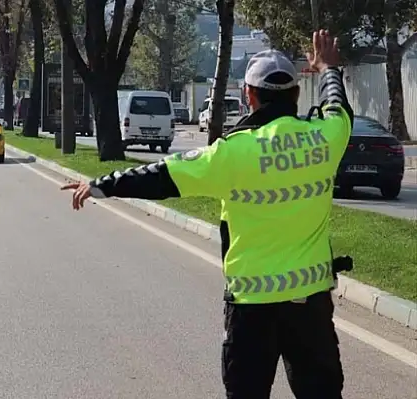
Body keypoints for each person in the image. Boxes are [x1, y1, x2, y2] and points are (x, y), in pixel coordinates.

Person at [61, 30, 353, 399]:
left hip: (252, 309)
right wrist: (328, 67)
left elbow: (161, 177)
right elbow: (337, 106)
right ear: (296, 94)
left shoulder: (231, 152)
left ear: (249, 95)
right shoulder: (325, 139)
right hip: (310, 307)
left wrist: (103, 184)